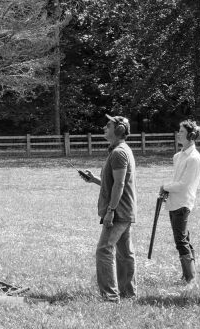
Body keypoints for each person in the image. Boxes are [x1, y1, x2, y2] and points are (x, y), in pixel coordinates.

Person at [82, 114, 137, 303]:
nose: (104, 128)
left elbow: (120, 185)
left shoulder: (119, 153)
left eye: (108, 125)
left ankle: (110, 297)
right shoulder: (118, 150)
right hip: (124, 210)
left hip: (119, 212)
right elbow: (113, 183)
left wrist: (111, 211)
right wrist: (94, 180)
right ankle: (128, 294)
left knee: (104, 250)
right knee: (124, 253)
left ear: (119, 130)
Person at [160, 120, 200, 284]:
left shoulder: (194, 158)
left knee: (180, 240)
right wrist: (166, 190)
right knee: (183, 237)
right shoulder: (177, 156)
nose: (178, 133)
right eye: (178, 130)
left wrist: (165, 186)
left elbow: (185, 184)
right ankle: (190, 273)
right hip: (174, 201)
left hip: (183, 202)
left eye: (181, 131)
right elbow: (176, 180)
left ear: (191, 135)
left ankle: (189, 277)